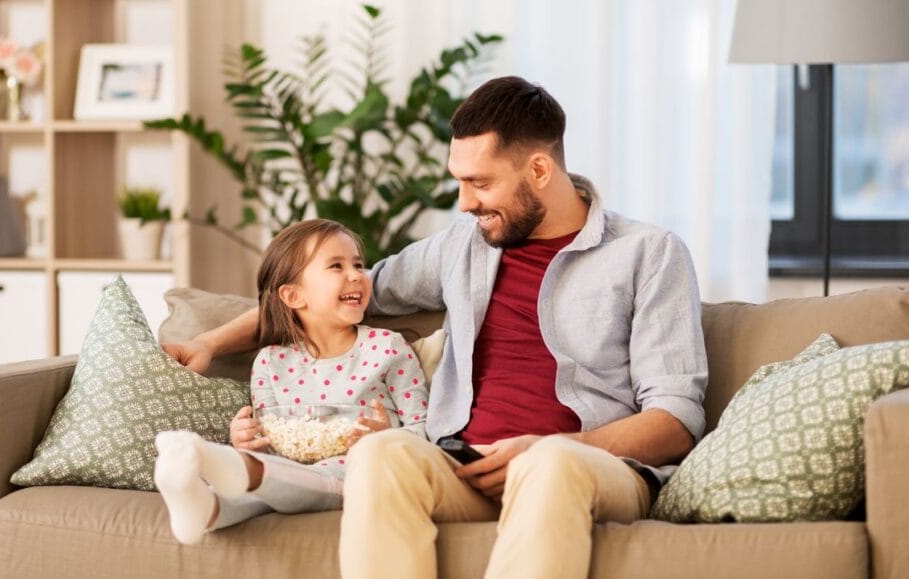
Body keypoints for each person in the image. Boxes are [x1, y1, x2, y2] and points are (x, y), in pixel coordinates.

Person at [163, 76, 707, 579]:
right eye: (459, 181)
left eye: (479, 183)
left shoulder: (648, 253)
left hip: (586, 466)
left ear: (540, 170)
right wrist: (210, 342)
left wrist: (559, 444)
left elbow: (676, 418)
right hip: (462, 466)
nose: (465, 203)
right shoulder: (463, 245)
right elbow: (336, 297)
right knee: (381, 453)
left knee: (550, 463)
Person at [154, 218, 429, 545]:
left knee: (319, 478)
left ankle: (226, 465)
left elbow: (423, 429)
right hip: (289, 475)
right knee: (266, 489)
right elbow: (274, 444)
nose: (357, 274)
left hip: (364, 471)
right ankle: (205, 506)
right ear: (293, 295)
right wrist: (248, 439)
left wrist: (386, 439)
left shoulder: (387, 348)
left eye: (358, 264)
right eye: (337, 266)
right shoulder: (270, 362)